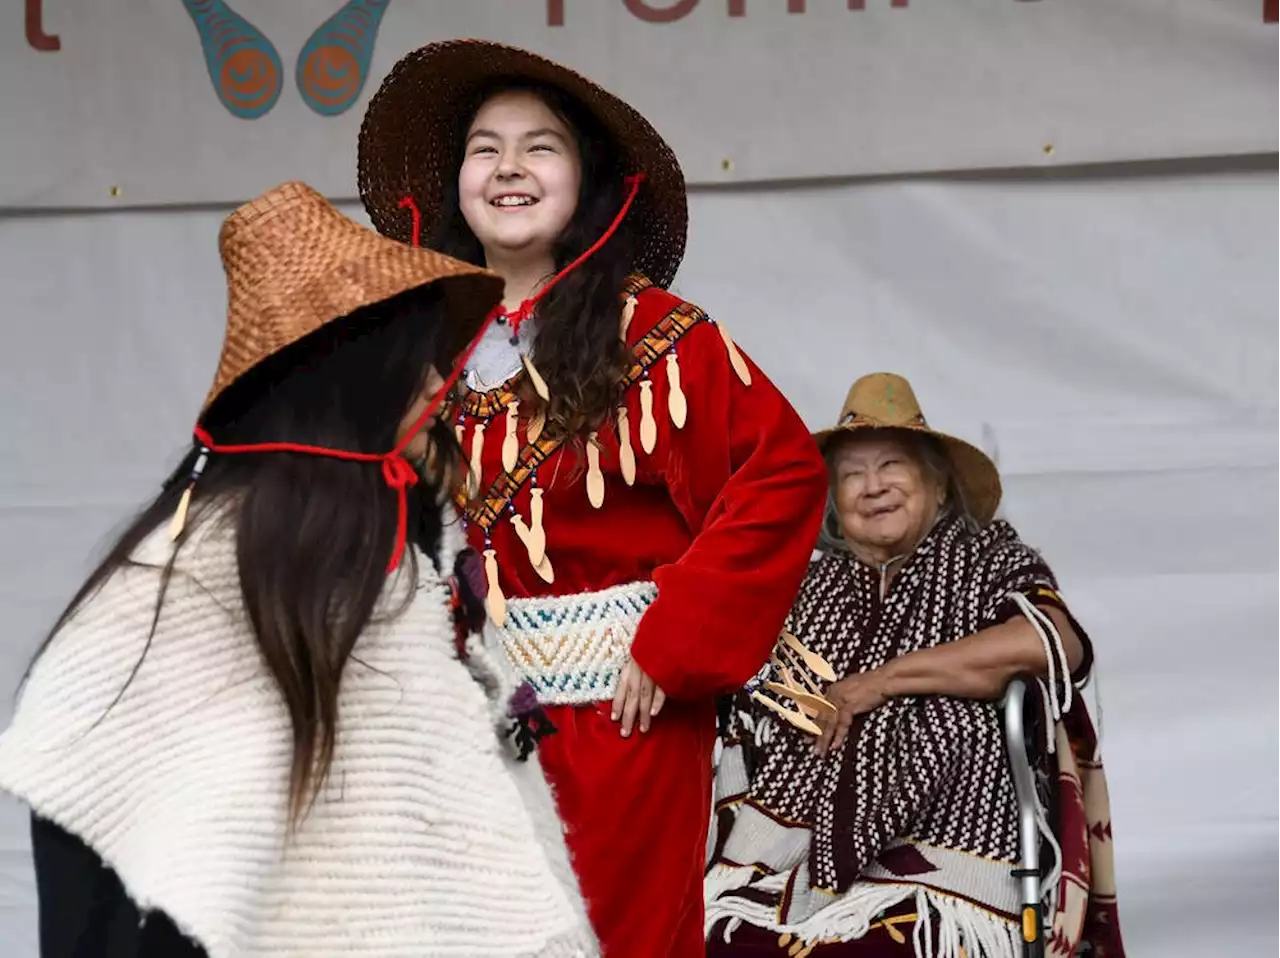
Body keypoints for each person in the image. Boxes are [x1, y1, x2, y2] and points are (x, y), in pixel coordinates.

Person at [0, 181, 598, 958]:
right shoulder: (189, 582)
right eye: (410, 362)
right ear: (346, 388)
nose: (434, 384)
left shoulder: (396, 565)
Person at [357, 39, 828, 957]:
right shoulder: (414, 347)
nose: (508, 168)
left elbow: (780, 476)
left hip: (620, 717)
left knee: (614, 939)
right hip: (456, 721)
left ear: (588, 182)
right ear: (457, 182)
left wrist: (677, 641)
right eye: (484, 148)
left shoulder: (656, 336)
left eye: (541, 146)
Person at [704, 373, 1126, 958]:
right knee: (723, 941)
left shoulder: (989, 559)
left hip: (944, 864)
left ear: (938, 483)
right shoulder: (808, 587)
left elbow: (1052, 642)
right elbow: (743, 684)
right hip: (787, 853)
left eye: (892, 466)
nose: (872, 487)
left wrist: (880, 682)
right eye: (851, 474)